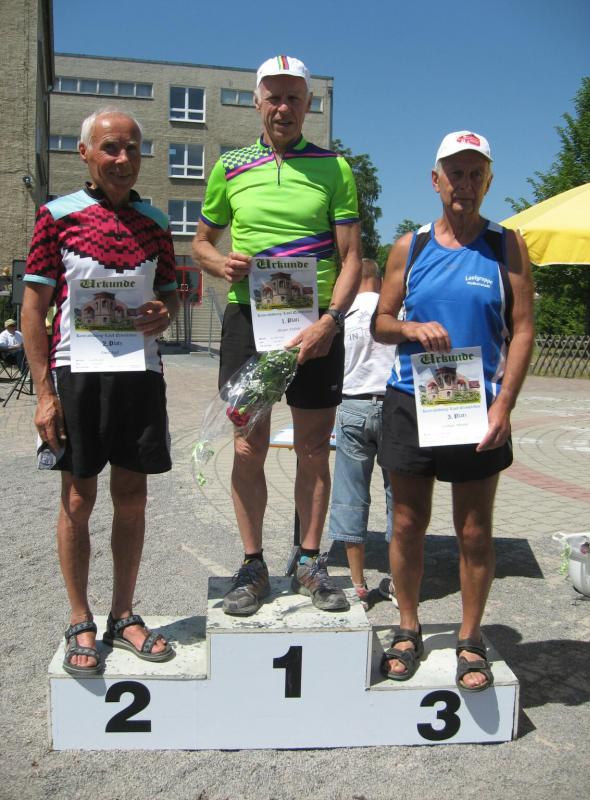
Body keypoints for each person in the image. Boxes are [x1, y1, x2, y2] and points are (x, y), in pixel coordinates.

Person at [192, 55, 362, 616]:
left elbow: (352, 257)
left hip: (315, 324)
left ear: (308, 103)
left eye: (294, 97)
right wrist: (220, 264)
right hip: (249, 320)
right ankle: (252, 563)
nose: (283, 107)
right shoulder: (230, 166)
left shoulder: (335, 168)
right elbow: (201, 243)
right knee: (248, 445)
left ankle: (310, 560)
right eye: (274, 96)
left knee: (314, 447)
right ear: (257, 101)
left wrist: (331, 322)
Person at [373, 131, 534, 690]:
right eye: (455, 173)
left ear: (488, 182)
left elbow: (523, 329)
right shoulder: (410, 246)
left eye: (475, 174)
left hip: (476, 406)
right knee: (407, 523)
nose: (465, 184)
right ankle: (407, 627)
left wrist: (504, 404)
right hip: (410, 400)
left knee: (474, 531)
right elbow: (380, 323)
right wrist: (411, 328)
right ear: (435, 180)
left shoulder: (507, 246)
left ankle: (469, 639)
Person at [21, 107, 180, 676]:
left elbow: (170, 294)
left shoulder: (156, 221)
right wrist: (44, 393)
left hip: (140, 372)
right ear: (85, 152)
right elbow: (34, 308)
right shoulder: (56, 216)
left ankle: (123, 614)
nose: (122, 158)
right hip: (78, 374)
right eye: (111, 147)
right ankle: (79, 619)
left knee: (132, 498)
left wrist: (166, 310)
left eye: (132, 148)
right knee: (77, 499)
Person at [328, 258, 395, 608]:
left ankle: (358, 585)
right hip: (395, 408)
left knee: (350, 495)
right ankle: (399, 581)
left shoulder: (340, 317)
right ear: (380, 280)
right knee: (399, 496)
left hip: (353, 406)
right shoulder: (395, 311)